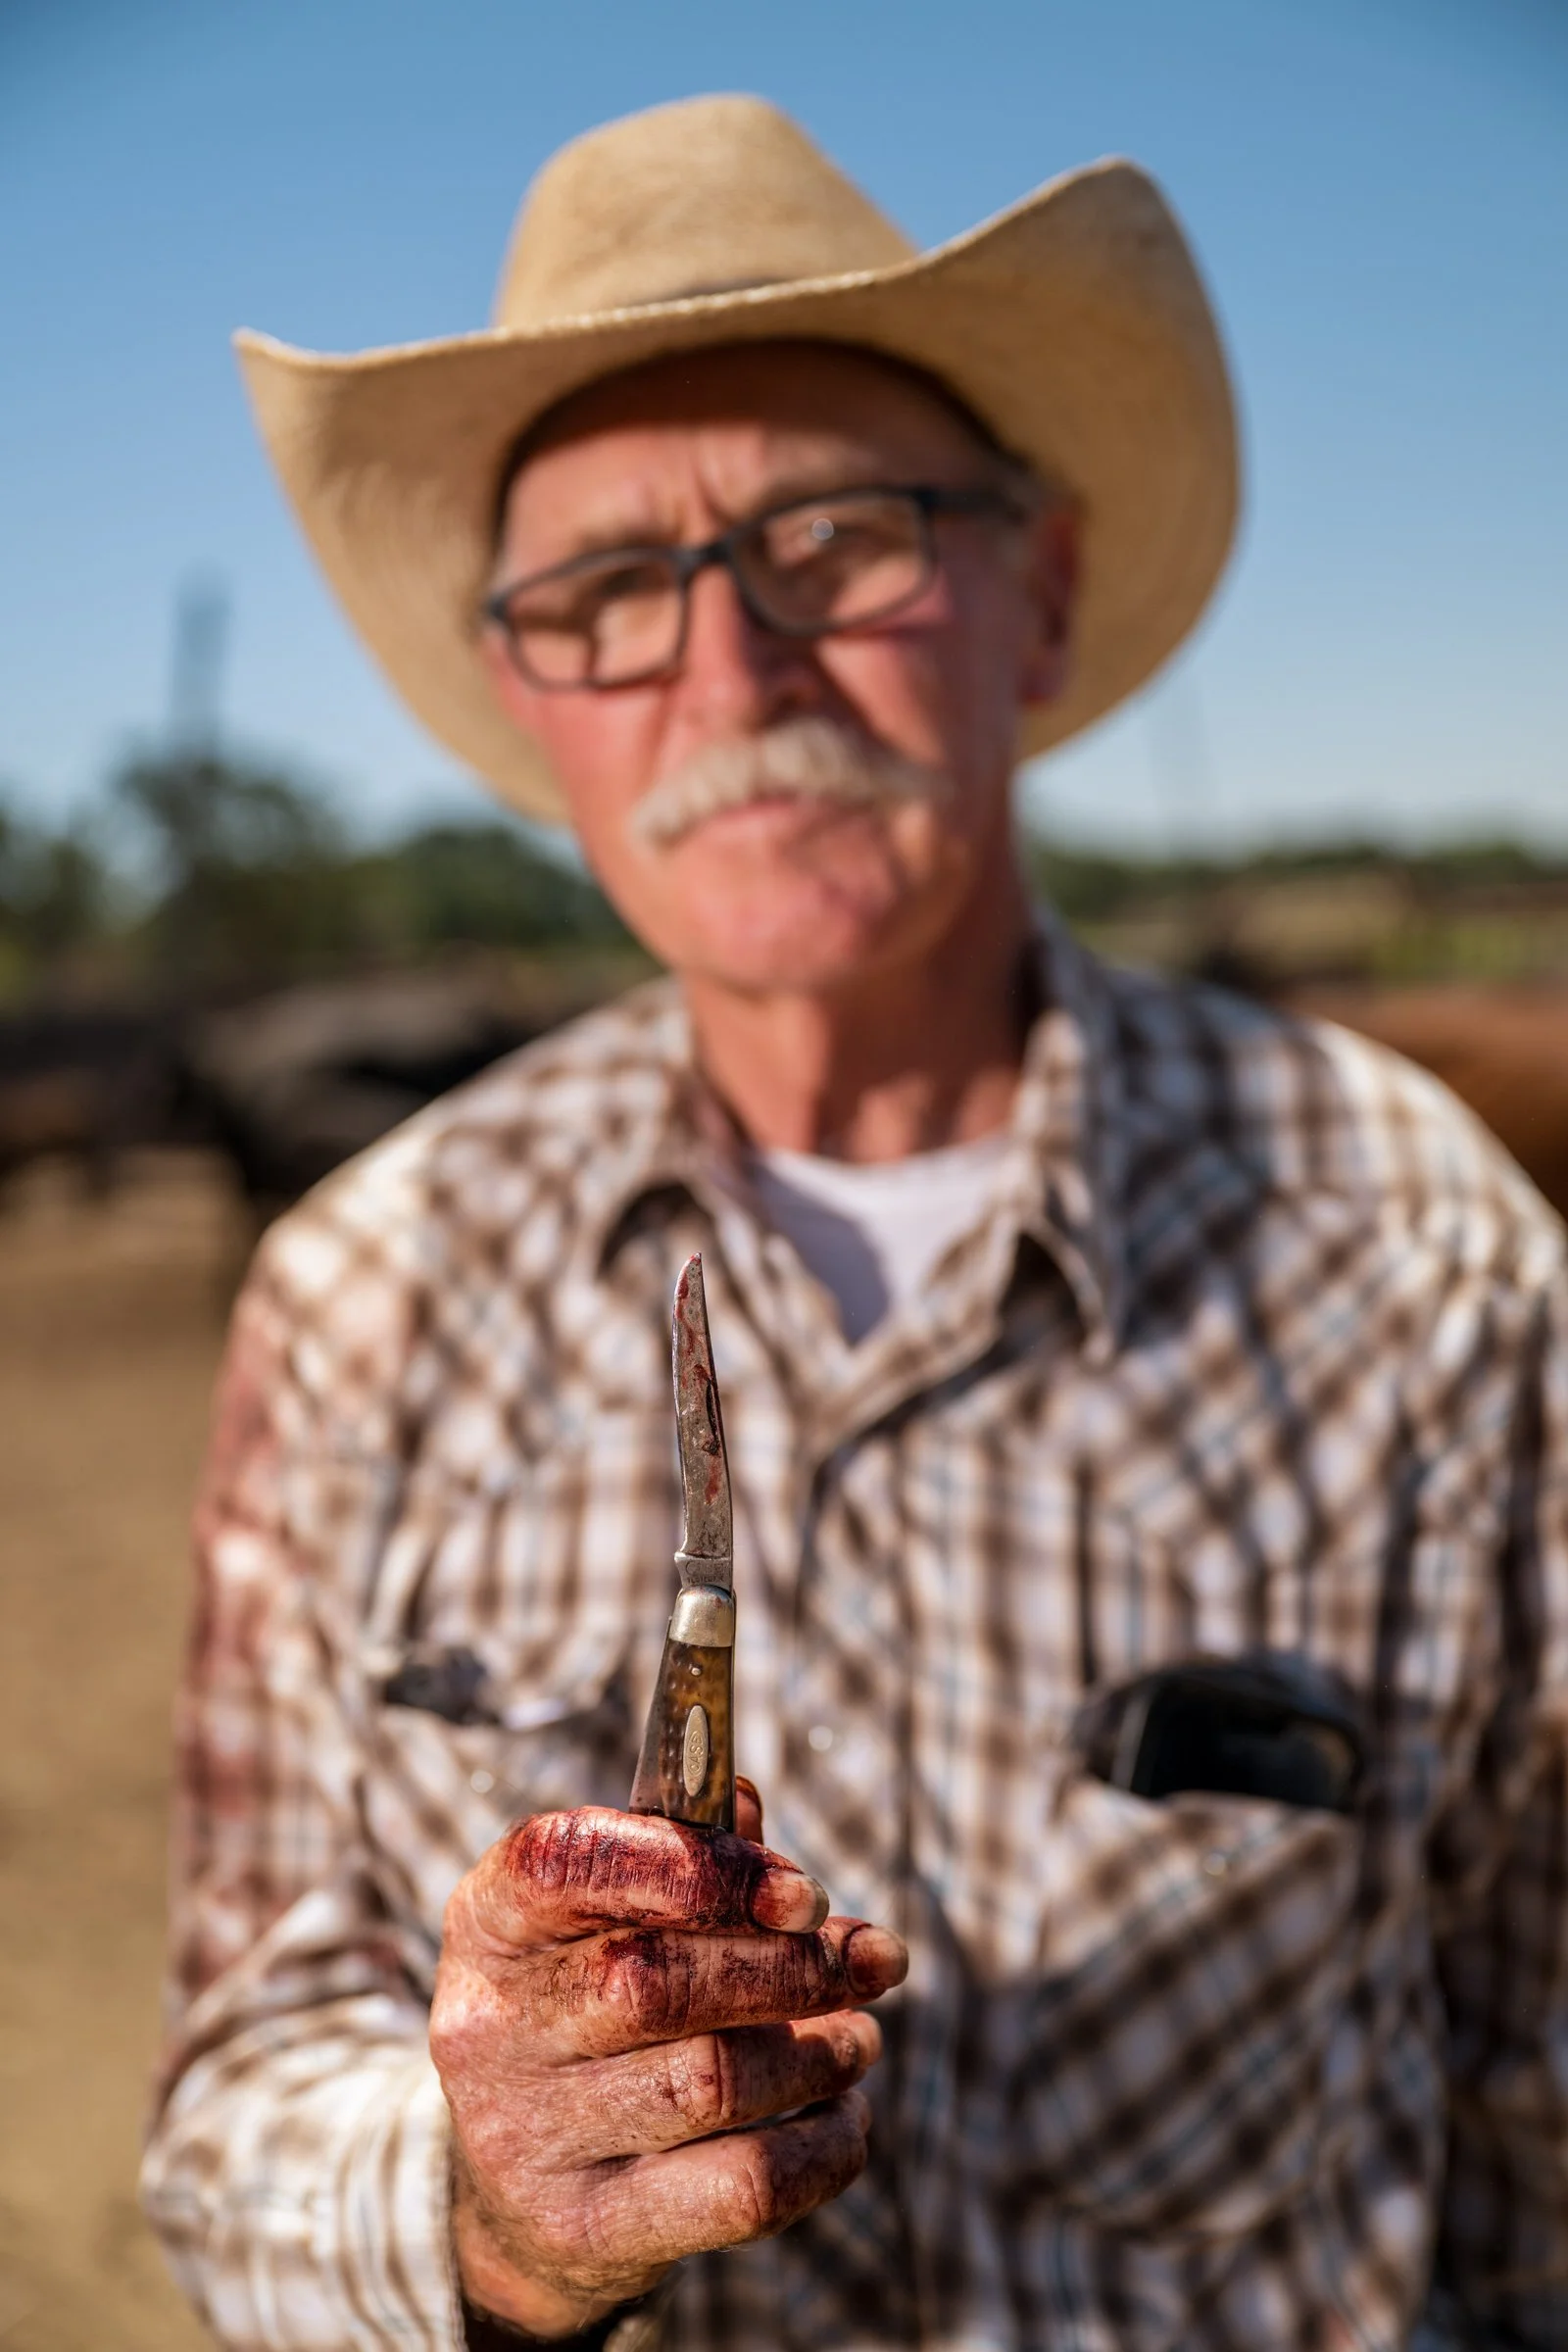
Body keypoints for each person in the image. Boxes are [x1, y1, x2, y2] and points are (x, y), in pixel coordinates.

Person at [141, 94, 1568, 2352]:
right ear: (529, 690)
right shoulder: (363, 1294)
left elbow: (1530, 2083)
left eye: (839, 535)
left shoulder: (1424, 1260)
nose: (733, 670)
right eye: (609, 591)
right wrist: (500, 2218)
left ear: (1042, 592)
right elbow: (234, 2109)